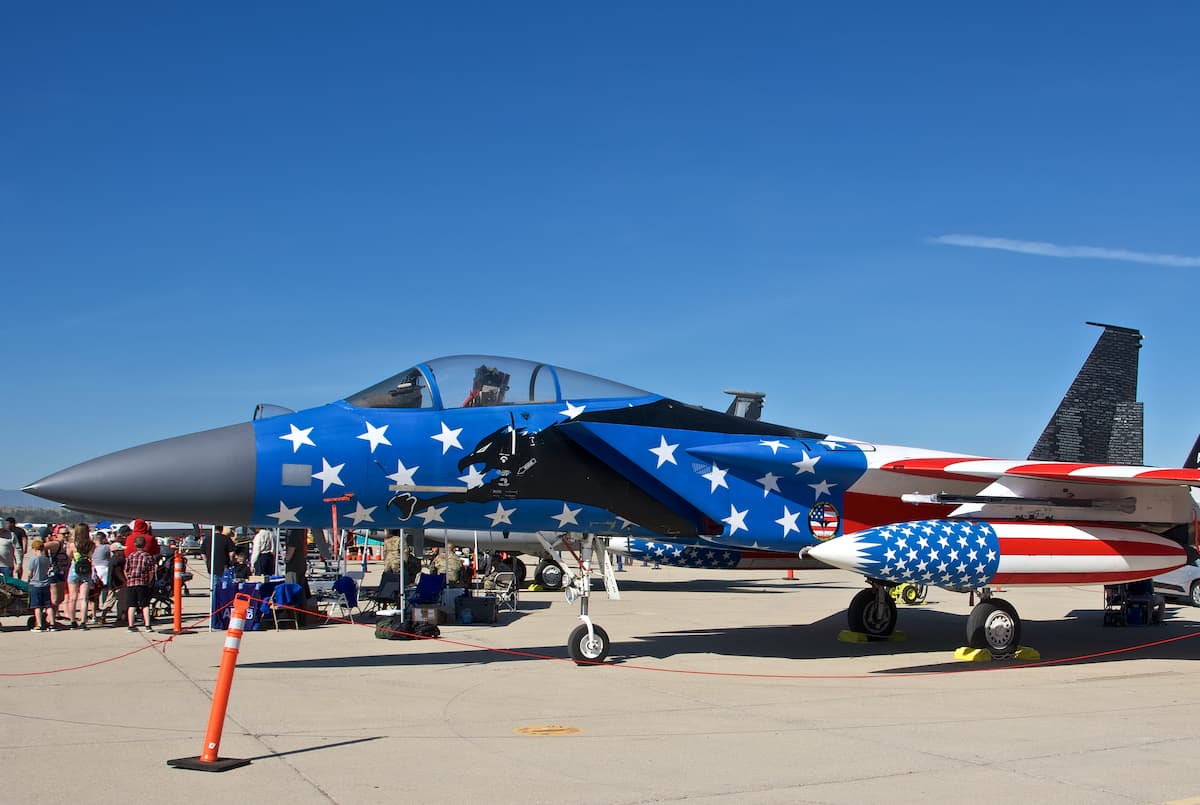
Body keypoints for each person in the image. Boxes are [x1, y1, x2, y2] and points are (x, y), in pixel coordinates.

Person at [65, 523, 95, 629]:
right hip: (86, 570)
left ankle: (72, 621)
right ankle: (83, 622)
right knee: (84, 598)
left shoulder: (72, 544)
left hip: (75, 568)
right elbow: (91, 556)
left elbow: (69, 556)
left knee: (73, 597)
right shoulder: (91, 544)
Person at [123, 535, 155, 632]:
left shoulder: (131, 556)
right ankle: (147, 625)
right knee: (145, 605)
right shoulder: (148, 556)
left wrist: (128, 578)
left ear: (135, 544)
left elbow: (126, 569)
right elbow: (151, 571)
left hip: (131, 583)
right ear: (145, 545)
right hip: (142, 583)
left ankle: (131, 625)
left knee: (132, 605)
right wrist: (149, 581)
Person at [24, 539, 54, 631]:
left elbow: (30, 573)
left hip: (35, 584)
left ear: (35, 549)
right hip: (45, 584)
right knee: (48, 605)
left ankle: (39, 624)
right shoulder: (46, 559)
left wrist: (28, 580)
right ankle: (52, 624)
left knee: (37, 606)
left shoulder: (34, 559)